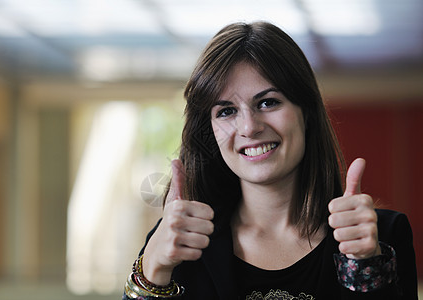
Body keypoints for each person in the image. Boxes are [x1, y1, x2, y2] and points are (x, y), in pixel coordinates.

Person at [123, 21, 417, 299]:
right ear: (209, 131)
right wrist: (153, 271)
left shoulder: (382, 237)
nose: (249, 127)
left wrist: (365, 267)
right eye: (226, 111)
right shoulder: (181, 239)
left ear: (307, 113)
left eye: (268, 102)